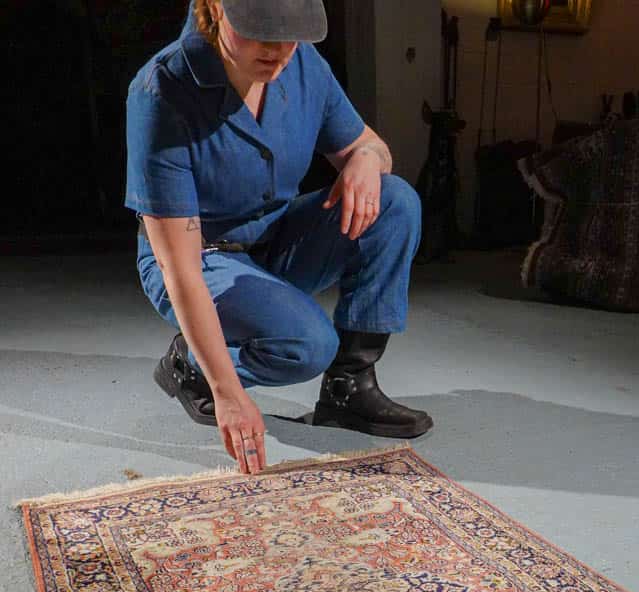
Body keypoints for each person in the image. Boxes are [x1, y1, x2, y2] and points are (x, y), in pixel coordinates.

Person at [126, 0, 432, 476]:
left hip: (275, 238)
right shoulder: (162, 90)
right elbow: (180, 269)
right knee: (308, 346)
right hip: (200, 258)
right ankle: (191, 364)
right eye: (261, 31)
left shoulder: (302, 63)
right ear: (215, 7)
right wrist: (228, 393)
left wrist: (366, 160)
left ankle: (348, 390)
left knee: (395, 202)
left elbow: (371, 145)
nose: (279, 49)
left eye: (291, 33)